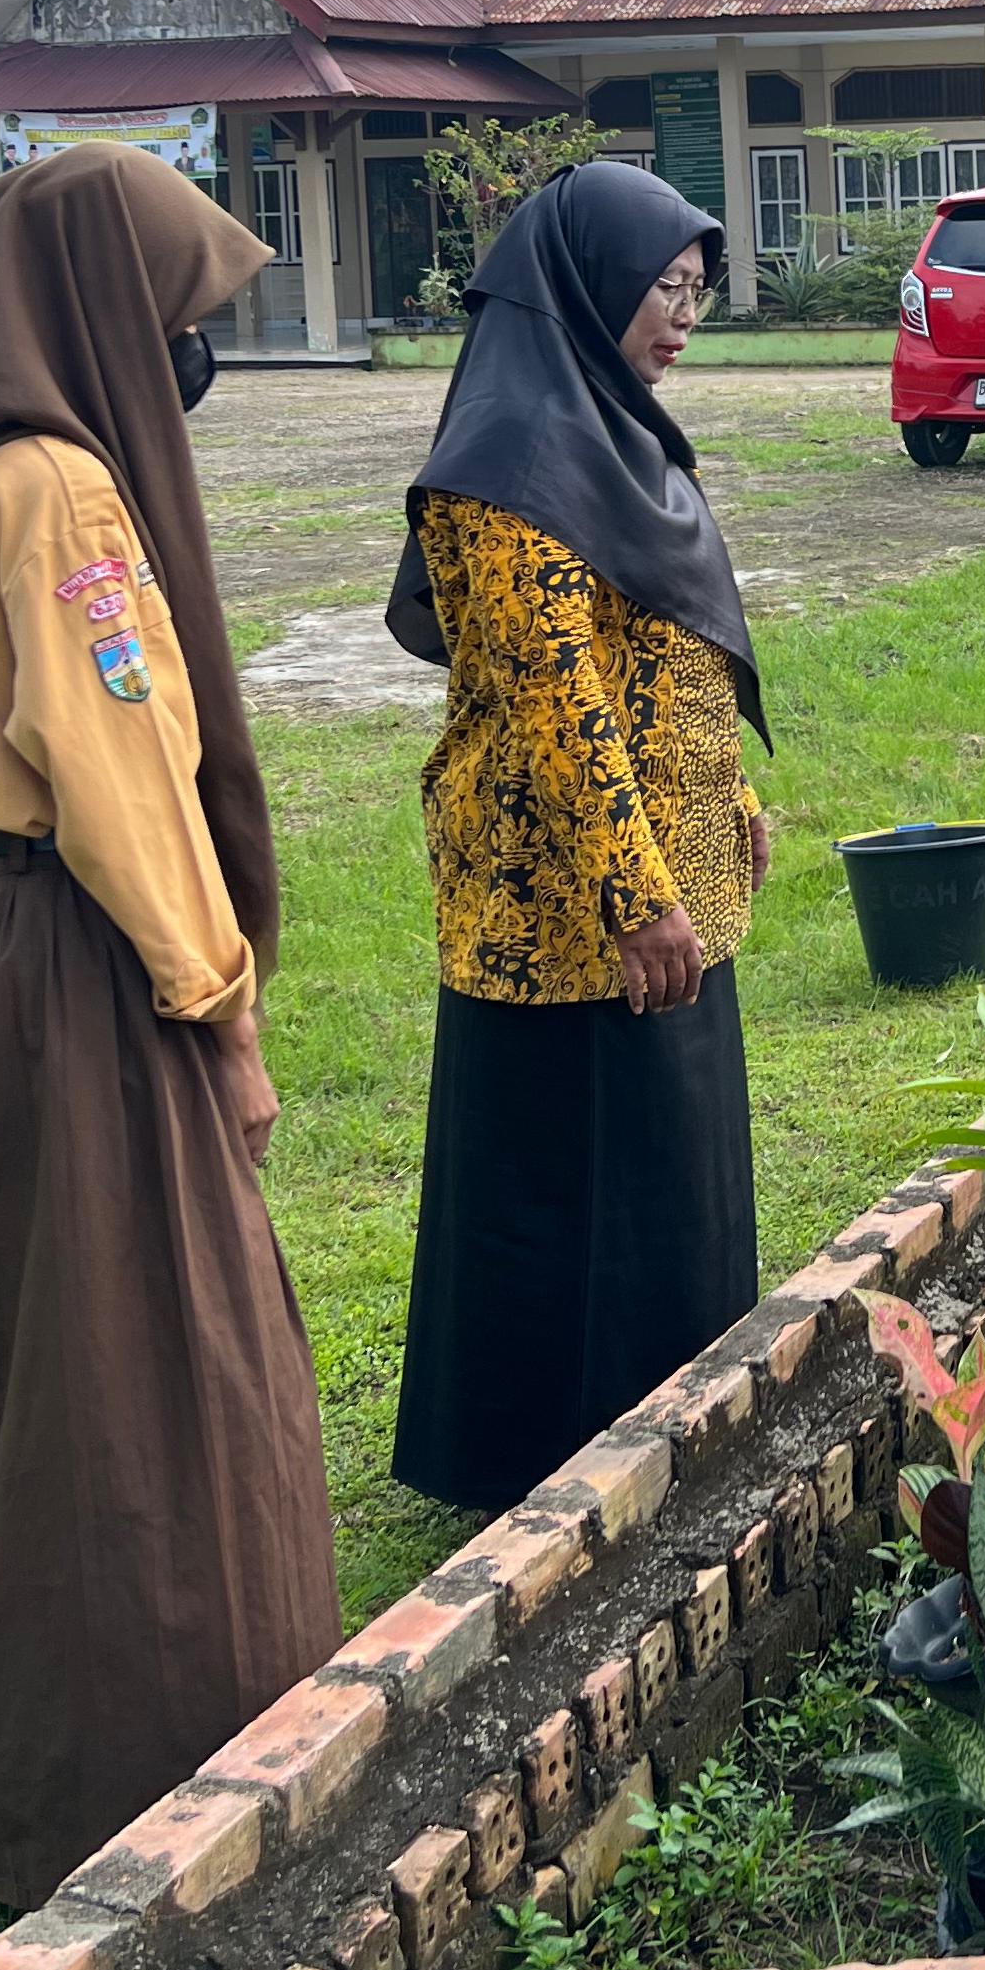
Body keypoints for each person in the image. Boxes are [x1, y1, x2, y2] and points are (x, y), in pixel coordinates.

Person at [0, 145, 336, 1906]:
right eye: (172, 313)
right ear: (95, 312)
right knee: (143, 1374)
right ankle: (145, 1774)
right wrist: (224, 1011)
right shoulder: (52, 488)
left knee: (12, 1372)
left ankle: (19, 1769)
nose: (183, 351)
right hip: (73, 969)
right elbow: (122, 786)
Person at [387, 163, 773, 1515]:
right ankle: (537, 1459)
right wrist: (633, 890)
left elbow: (670, 652)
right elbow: (560, 700)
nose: (682, 320)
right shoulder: (505, 470)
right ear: (587, 285)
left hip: (665, 877)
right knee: (568, 1169)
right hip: (558, 901)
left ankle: (676, 1415)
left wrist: (723, 806)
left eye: (698, 296)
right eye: (663, 290)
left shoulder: (621, 436)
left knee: (668, 1159)